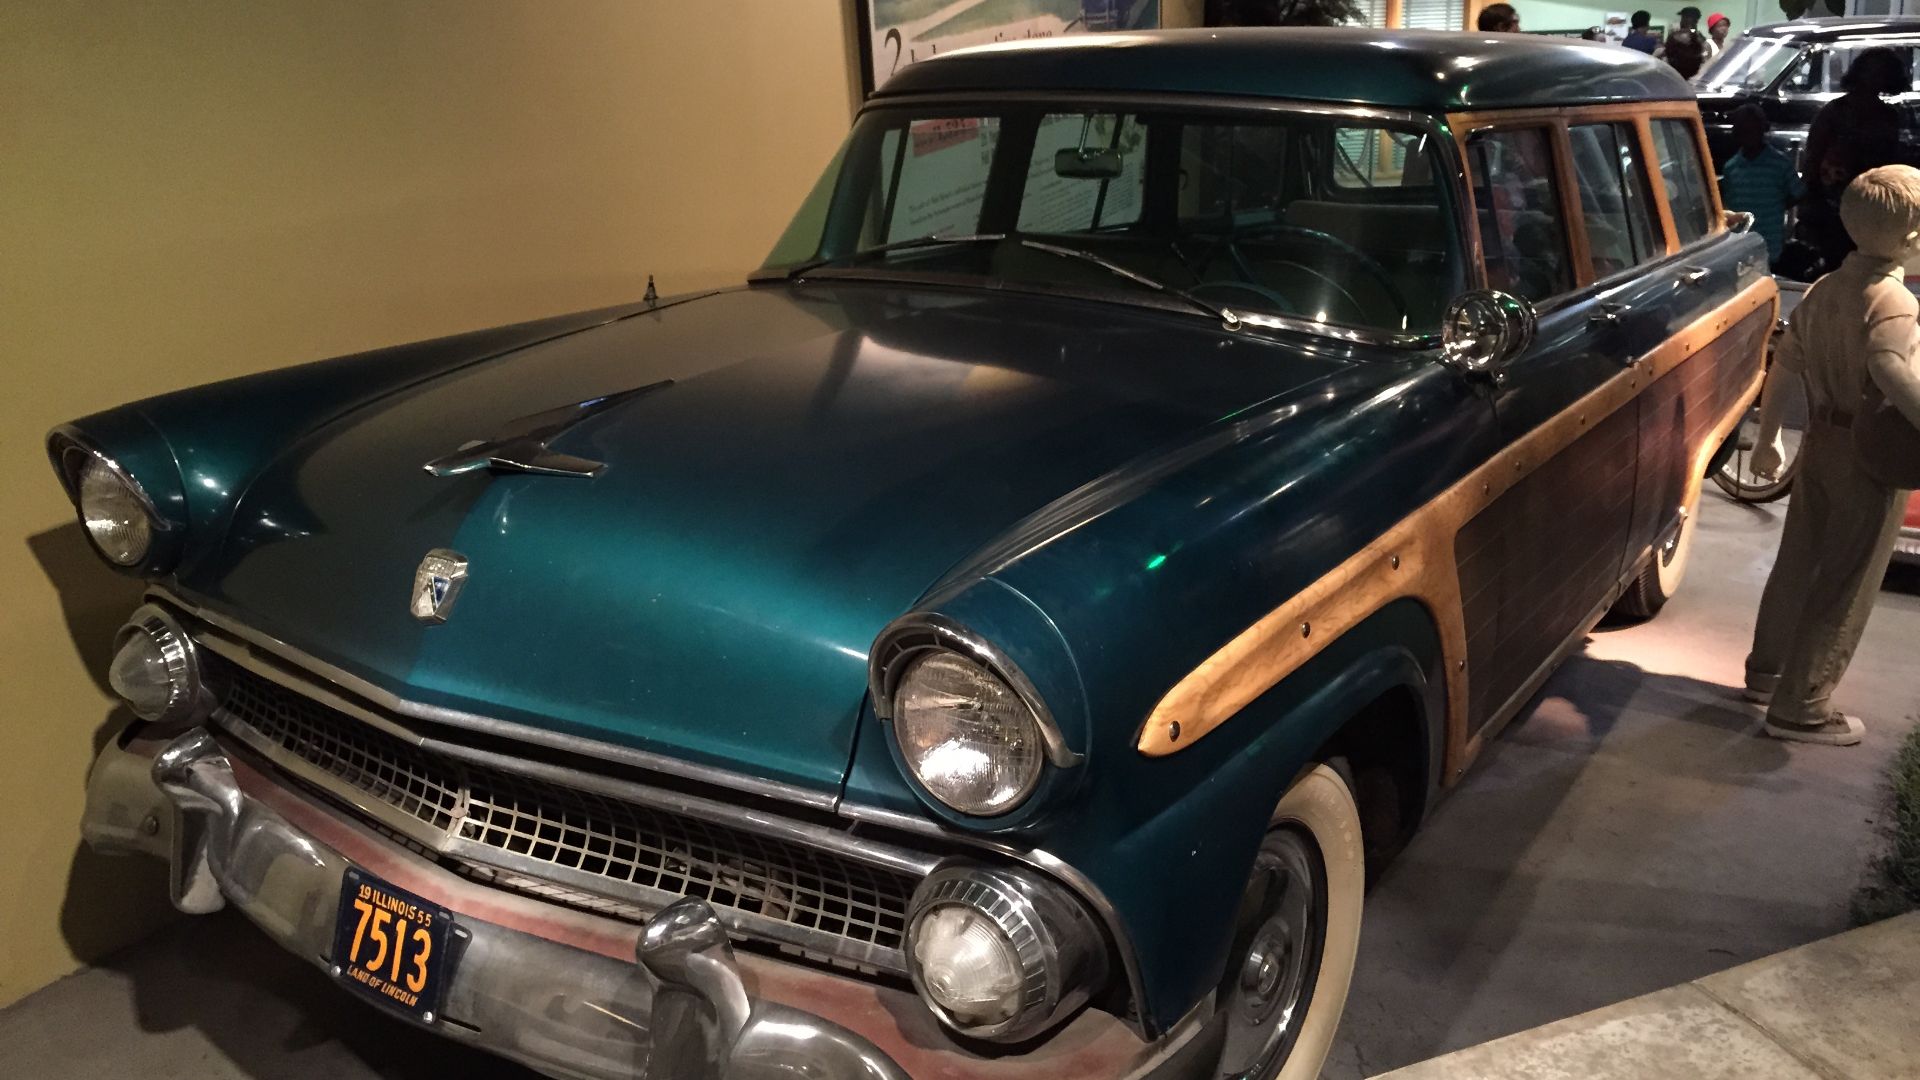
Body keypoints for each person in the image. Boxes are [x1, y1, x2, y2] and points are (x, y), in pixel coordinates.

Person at [1745, 165, 1920, 745]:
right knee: (1847, 578)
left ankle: (1766, 672)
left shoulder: (1824, 289)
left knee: (1797, 561)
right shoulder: (1893, 302)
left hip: (1818, 442)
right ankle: (1803, 704)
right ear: (1912, 238)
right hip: (1868, 453)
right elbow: (1889, 368)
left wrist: (1769, 435)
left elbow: (1786, 363)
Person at [1799, 47, 1910, 267]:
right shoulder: (1843, 112)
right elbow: (1814, 159)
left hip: (1865, 201)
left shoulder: (1880, 115)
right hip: (1840, 202)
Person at [1719, 104, 1803, 266]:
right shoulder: (1731, 167)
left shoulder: (1780, 163)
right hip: (1739, 247)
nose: (1748, 135)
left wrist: (1776, 206)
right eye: (1743, 130)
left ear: (1763, 130)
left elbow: (1798, 193)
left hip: (1770, 245)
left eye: (1753, 129)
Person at [1658, 7, 1709, 79]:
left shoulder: (1675, 36)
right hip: (1694, 78)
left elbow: (1667, 53)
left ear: (1688, 18)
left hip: (1674, 76)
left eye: (1683, 18)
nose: (1681, 21)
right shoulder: (1700, 37)